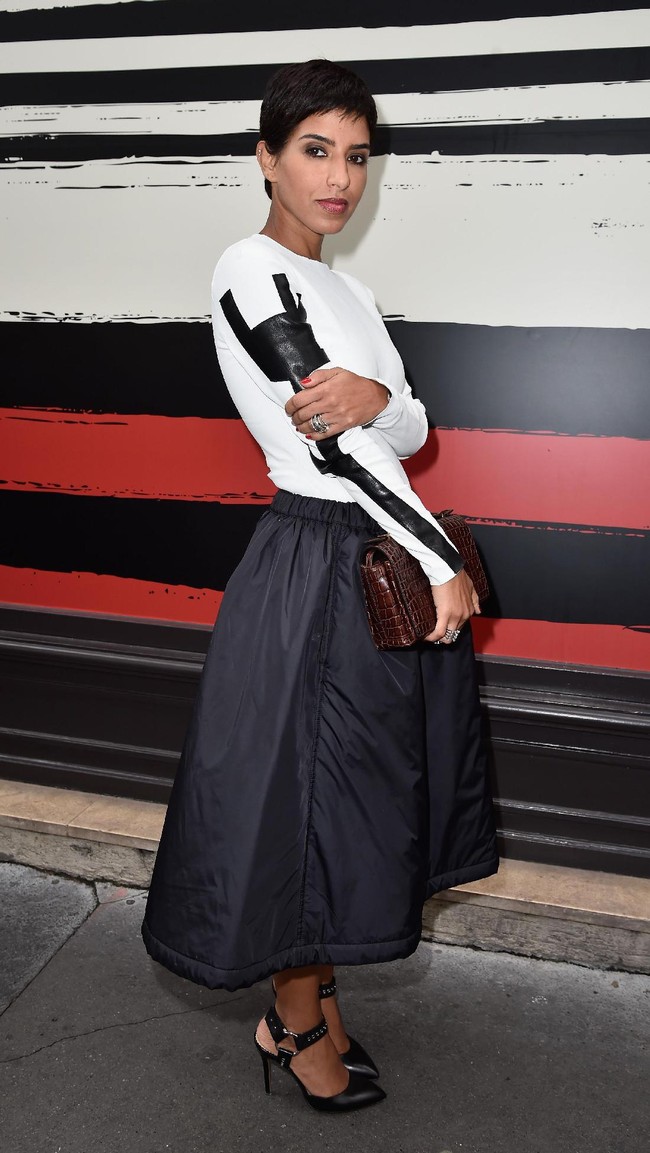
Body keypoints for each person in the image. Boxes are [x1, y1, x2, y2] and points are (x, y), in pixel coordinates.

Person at [142, 58, 498, 1113]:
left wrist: (377, 390)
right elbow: (335, 449)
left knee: (345, 804)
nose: (338, 178)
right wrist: (435, 555)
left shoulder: (354, 290)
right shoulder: (248, 270)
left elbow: (408, 426)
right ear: (266, 157)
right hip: (319, 557)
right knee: (302, 805)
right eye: (313, 151)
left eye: (354, 156)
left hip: (360, 552)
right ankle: (290, 1021)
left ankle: (316, 993)